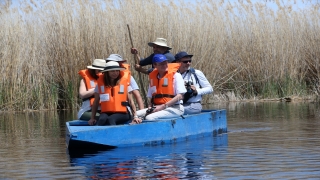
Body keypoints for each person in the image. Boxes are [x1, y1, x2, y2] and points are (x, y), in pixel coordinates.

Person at [88, 61, 141, 126]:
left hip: (124, 113)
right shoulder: (100, 85)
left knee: (111, 119)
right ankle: (95, 133)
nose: (115, 73)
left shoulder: (125, 84)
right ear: (107, 72)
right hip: (107, 112)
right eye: (112, 71)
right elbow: (96, 102)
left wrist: (135, 116)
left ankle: (115, 135)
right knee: (102, 119)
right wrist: (92, 118)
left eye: (117, 71)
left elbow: (131, 101)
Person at [135, 54, 186, 121]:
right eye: (161, 64)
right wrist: (150, 109)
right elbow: (152, 98)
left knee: (149, 118)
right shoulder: (153, 78)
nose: (165, 65)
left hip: (175, 108)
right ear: (155, 65)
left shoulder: (176, 75)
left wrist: (163, 106)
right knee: (135, 114)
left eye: (165, 62)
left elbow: (180, 96)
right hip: (157, 107)